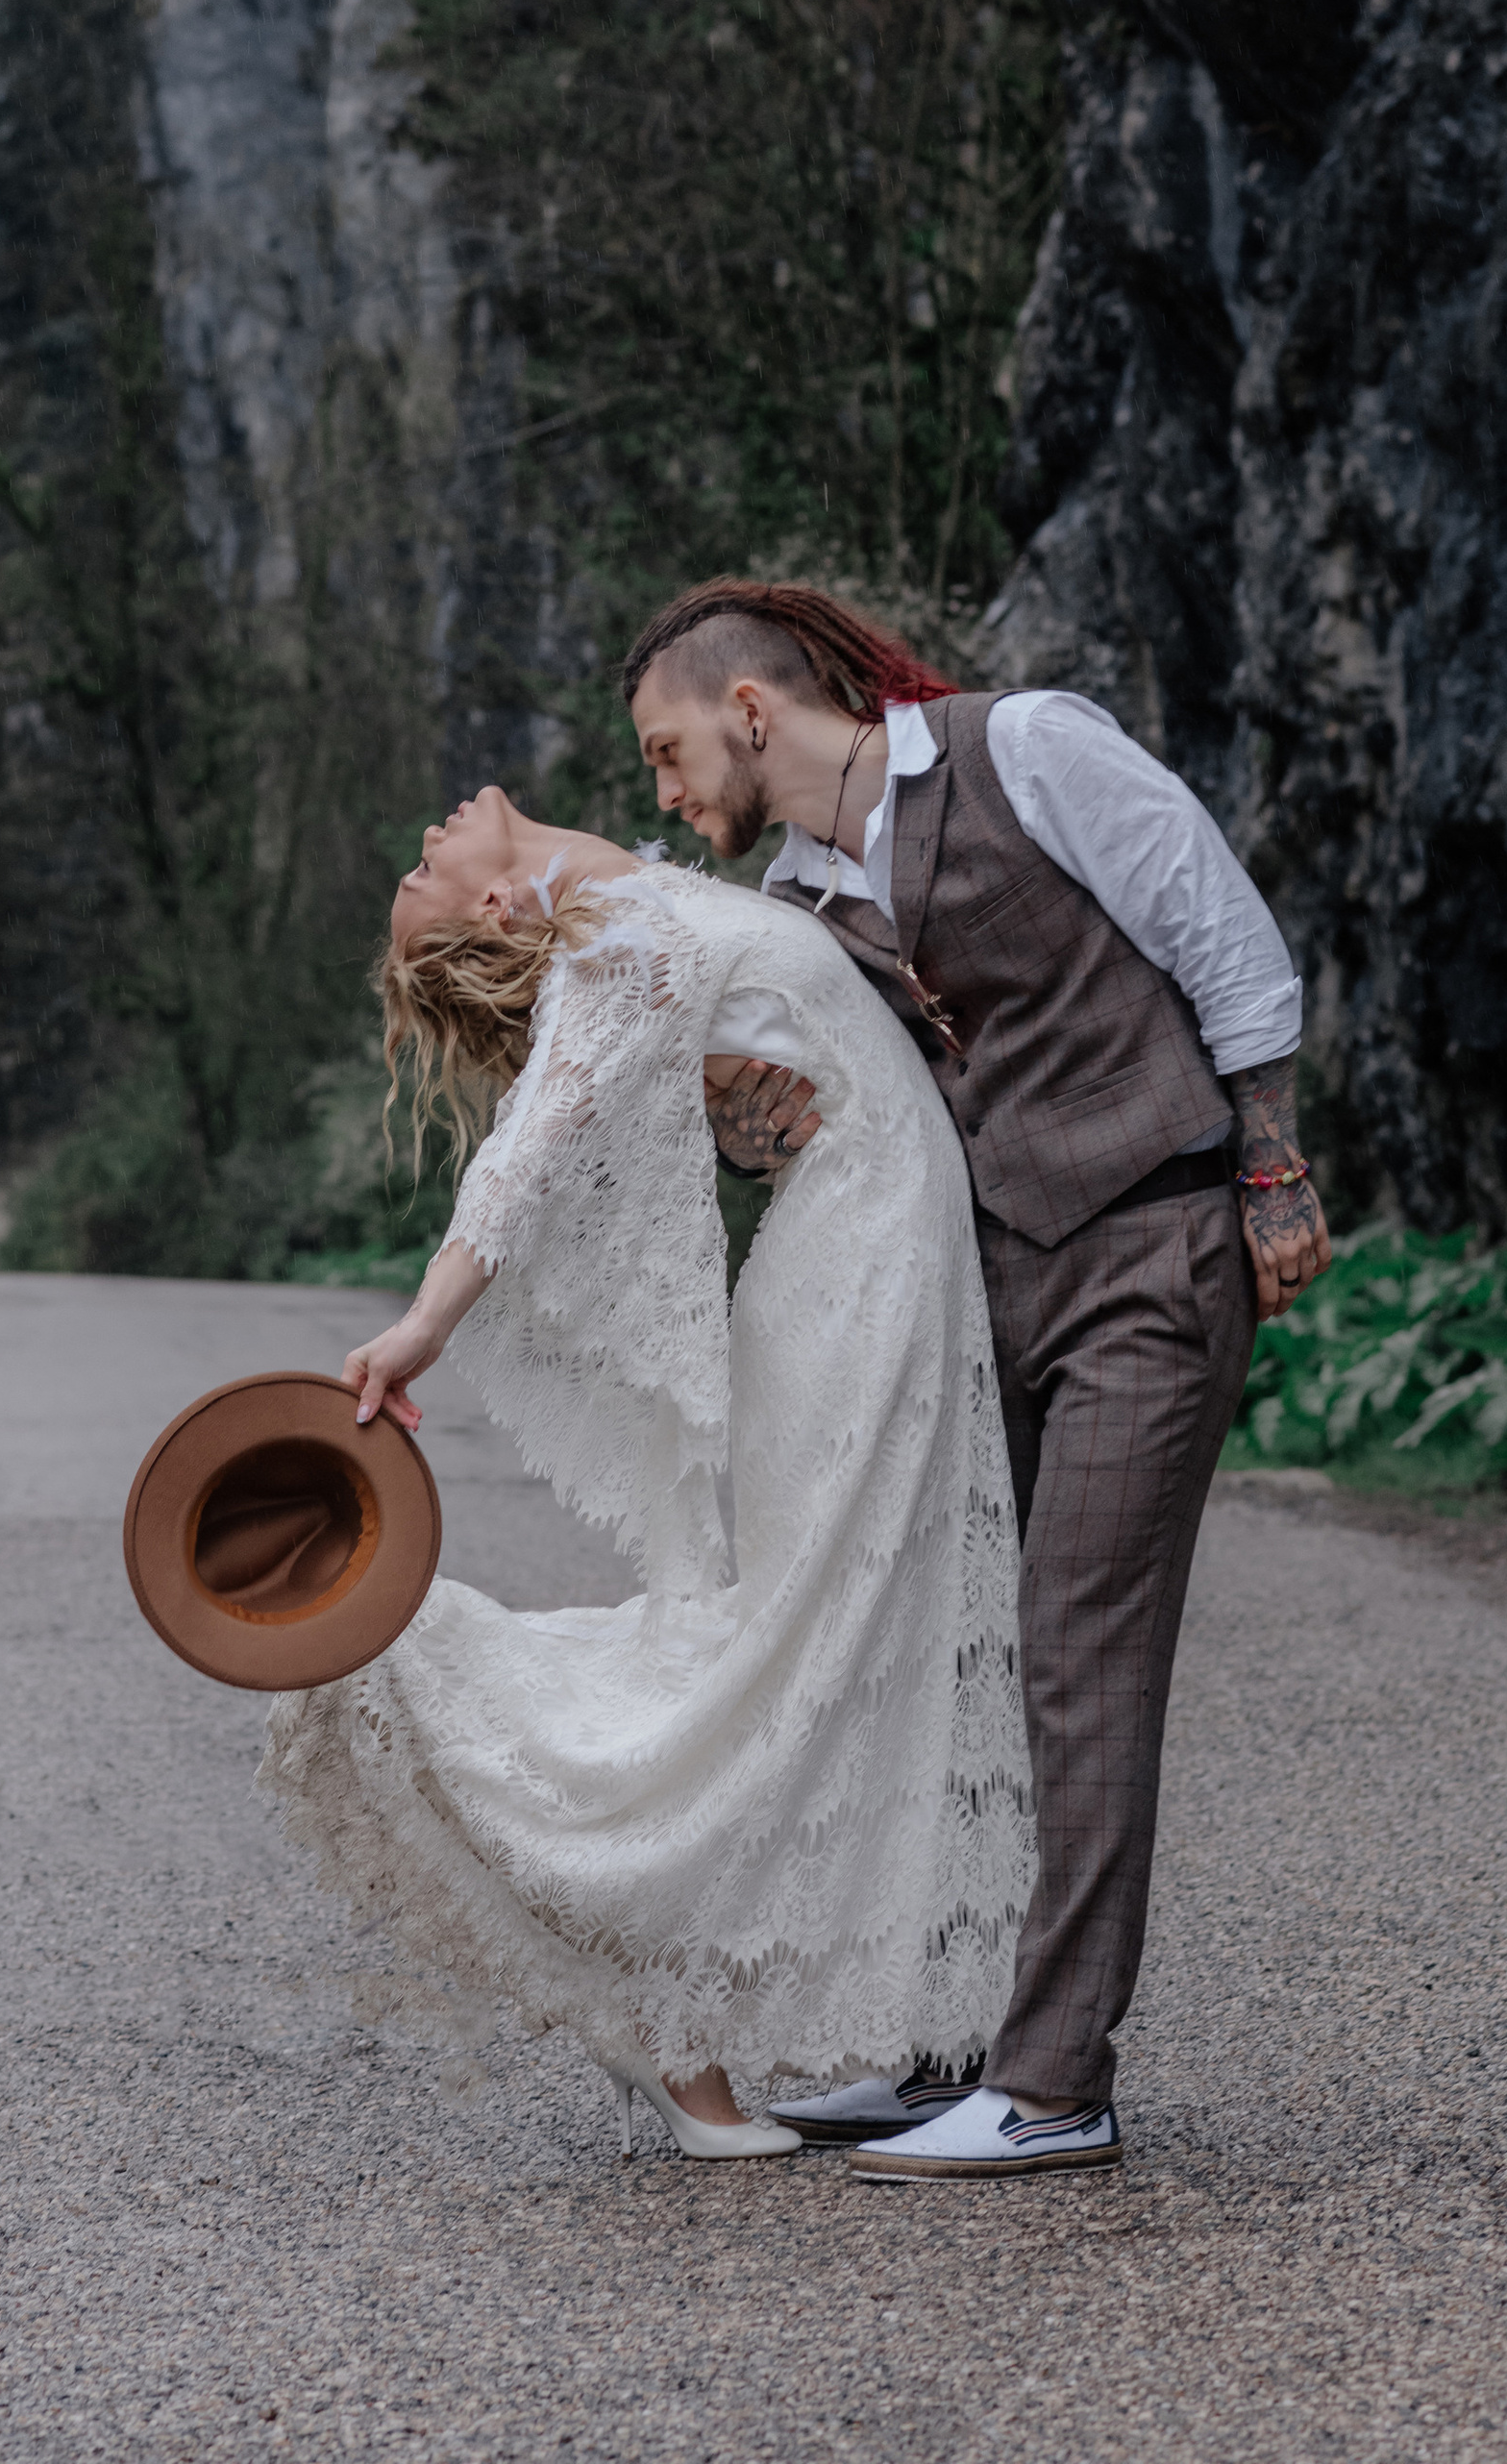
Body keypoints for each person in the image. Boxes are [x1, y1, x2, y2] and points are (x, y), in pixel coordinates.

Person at [623, 581, 1331, 2181]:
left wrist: (1274, 1167)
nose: (666, 796)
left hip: (1152, 1243)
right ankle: (952, 2051)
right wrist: (735, 1107)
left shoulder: (1021, 748)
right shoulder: (797, 904)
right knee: (966, 1666)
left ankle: (1057, 2081)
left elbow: (1220, 930)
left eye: (670, 753)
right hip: (978, 1293)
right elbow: (815, 1119)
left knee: (1077, 1642)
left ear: (750, 710)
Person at [261, 783, 1034, 2160]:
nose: (427, 832)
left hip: (870, 1249)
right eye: (418, 871)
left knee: (835, 1645)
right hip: (860, 1272)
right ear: (502, 910)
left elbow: (762, 1062)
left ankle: (723, 2030)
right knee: (809, 1647)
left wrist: (746, 1112)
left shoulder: (657, 896)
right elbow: (532, 1147)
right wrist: (426, 1325)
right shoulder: (611, 937)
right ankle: (675, 2019)